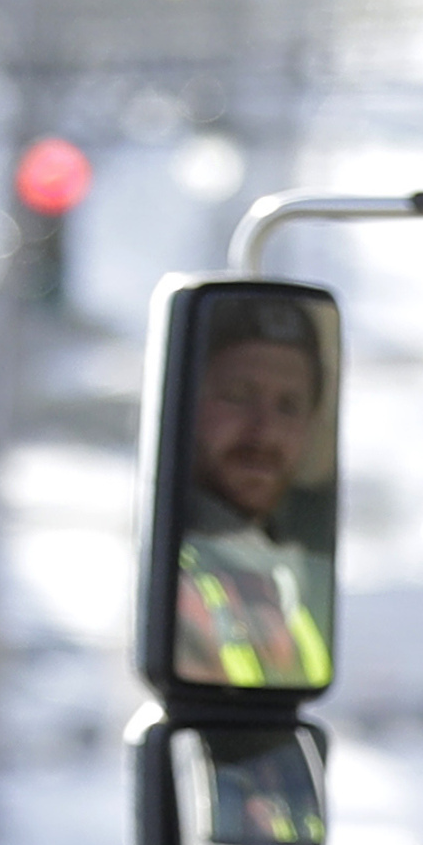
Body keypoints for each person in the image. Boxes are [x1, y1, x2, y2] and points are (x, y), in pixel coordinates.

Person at [172, 296, 337, 692]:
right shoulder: (179, 570)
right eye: (237, 396)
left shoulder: (297, 572)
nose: (263, 431)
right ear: (184, 407)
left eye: (288, 405)